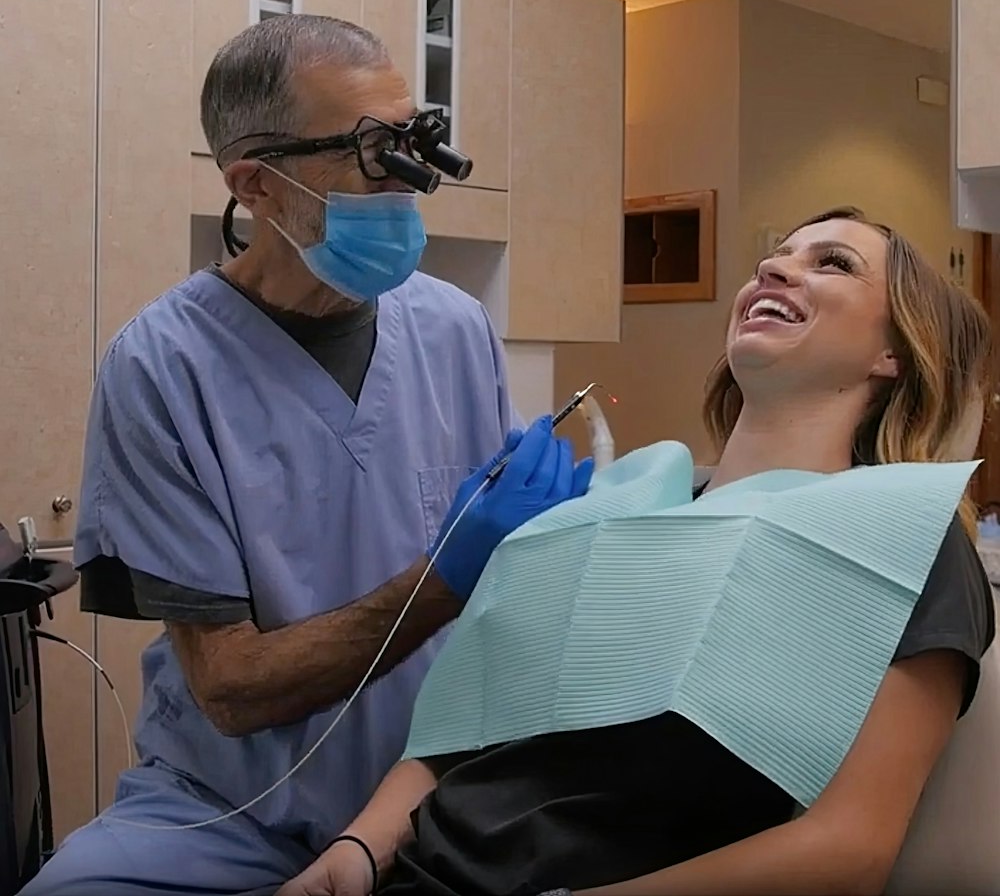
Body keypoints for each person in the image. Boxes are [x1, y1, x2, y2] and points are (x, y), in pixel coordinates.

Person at [20, 15, 592, 896]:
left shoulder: (452, 327)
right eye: (373, 157)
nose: (405, 190)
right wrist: (446, 578)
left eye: (413, 147)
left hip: (436, 791)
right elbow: (231, 688)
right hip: (229, 814)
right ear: (257, 184)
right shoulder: (164, 366)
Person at [279, 207, 996, 896]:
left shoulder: (901, 536)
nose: (776, 269)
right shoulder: (620, 507)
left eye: (831, 264)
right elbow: (465, 727)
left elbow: (849, 853)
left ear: (893, 352)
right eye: (772, 258)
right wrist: (359, 849)